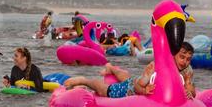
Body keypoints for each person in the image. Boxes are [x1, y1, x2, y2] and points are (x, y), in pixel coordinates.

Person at [64, 42, 196, 99]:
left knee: (127, 77)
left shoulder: (187, 70)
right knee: (105, 90)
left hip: (136, 80)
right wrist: (144, 91)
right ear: (173, 55)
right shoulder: (157, 66)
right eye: (182, 57)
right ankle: (84, 80)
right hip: (133, 88)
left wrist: (189, 92)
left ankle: (111, 68)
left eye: (188, 59)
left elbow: (191, 90)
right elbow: (138, 86)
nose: (184, 62)